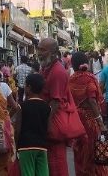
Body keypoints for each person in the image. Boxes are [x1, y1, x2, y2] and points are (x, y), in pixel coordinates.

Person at [68, 52, 108, 176]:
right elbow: (92, 101)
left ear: (73, 65)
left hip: (76, 120)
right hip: (89, 120)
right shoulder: (90, 78)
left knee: (79, 151)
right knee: (92, 152)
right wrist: (101, 123)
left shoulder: (70, 81)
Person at [37, 38, 74, 176]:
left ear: (53, 53)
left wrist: (46, 125)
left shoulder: (57, 71)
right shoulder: (45, 68)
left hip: (53, 123)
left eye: (42, 50)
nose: (39, 53)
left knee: (56, 163)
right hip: (48, 121)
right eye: (38, 49)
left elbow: (56, 102)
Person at [15, 74, 51, 176]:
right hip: (42, 146)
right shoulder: (47, 107)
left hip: (25, 146)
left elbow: (17, 130)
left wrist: (17, 145)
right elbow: (49, 130)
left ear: (29, 88)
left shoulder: (21, 107)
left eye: (25, 85)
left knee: (28, 173)